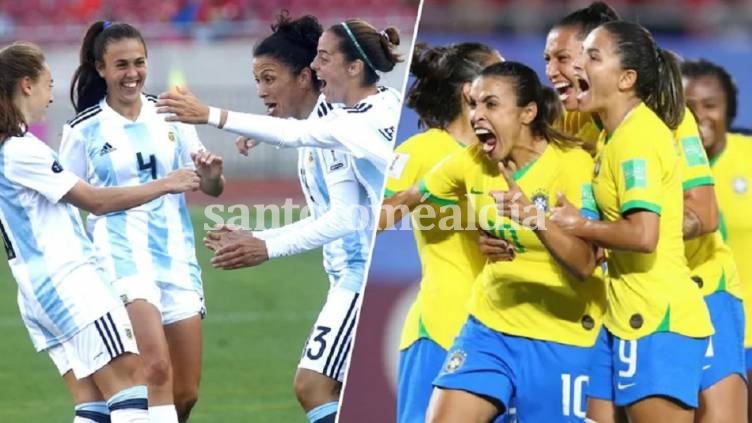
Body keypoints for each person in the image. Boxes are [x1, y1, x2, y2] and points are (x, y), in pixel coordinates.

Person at [540, 4, 745, 422]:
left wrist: (629, 228)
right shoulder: (575, 124)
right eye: (549, 59)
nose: (556, 71)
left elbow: (702, 215)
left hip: (695, 288)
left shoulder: (669, 120)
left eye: (569, 57)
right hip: (621, 297)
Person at [196, 16, 402, 423]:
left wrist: (264, 243)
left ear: (306, 76)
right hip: (353, 273)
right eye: (257, 80)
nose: (261, 91)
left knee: (314, 386)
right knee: (352, 396)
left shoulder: (340, 127)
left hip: (364, 275)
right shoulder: (326, 119)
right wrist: (270, 126)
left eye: (269, 79)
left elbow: (345, 216)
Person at [0, 41, 200, 423]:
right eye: (47, 83)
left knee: (93, 407)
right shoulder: (22, 149)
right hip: (71, 285)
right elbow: (95, 200)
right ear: (27, 85)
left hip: (37, 292)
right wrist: (165, 183)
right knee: (134, 395)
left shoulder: (9, 147)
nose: (51, 95)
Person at [399, 61, 604, 422]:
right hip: (489, 328)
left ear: (527, 113)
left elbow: (585, 264)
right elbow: (403, 200)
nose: (477, 115)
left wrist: (534, 219)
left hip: (561, 333)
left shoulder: (571, 165)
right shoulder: (471, 162)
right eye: (474, 104)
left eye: (491, 104)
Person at [59, 21, 225, 423]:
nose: (132, 74)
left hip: (176, 259)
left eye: (138, 63)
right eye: (121, 65)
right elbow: (66, 199)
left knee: (185, 393)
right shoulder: (82, 131)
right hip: (120, 261)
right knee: (155, 371)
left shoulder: (171, 114)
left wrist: (212, 174)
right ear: (100, 68)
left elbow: (211, 186)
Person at [378, 42, 503, 423]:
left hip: (506, 334)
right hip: (442, 327)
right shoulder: (424, 149)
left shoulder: (509, 156)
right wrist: (435, 194)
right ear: (470, 92)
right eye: (502, 75)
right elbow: (373, 218)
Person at [154, 19, 402, 173]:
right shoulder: (391, 99)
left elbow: (295, 134)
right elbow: (305, 125)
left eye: (323, 58)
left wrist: (208, 114)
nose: (314, 66)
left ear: (354, 68)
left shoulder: (345, 124)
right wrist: (264, 130)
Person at [683, 58, 751, 422]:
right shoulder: (660, 161)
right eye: (688, 107)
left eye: (710, 105)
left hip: (746, 331)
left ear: (729, 110)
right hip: (676, 325)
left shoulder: (749, 157)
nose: (699, 116)